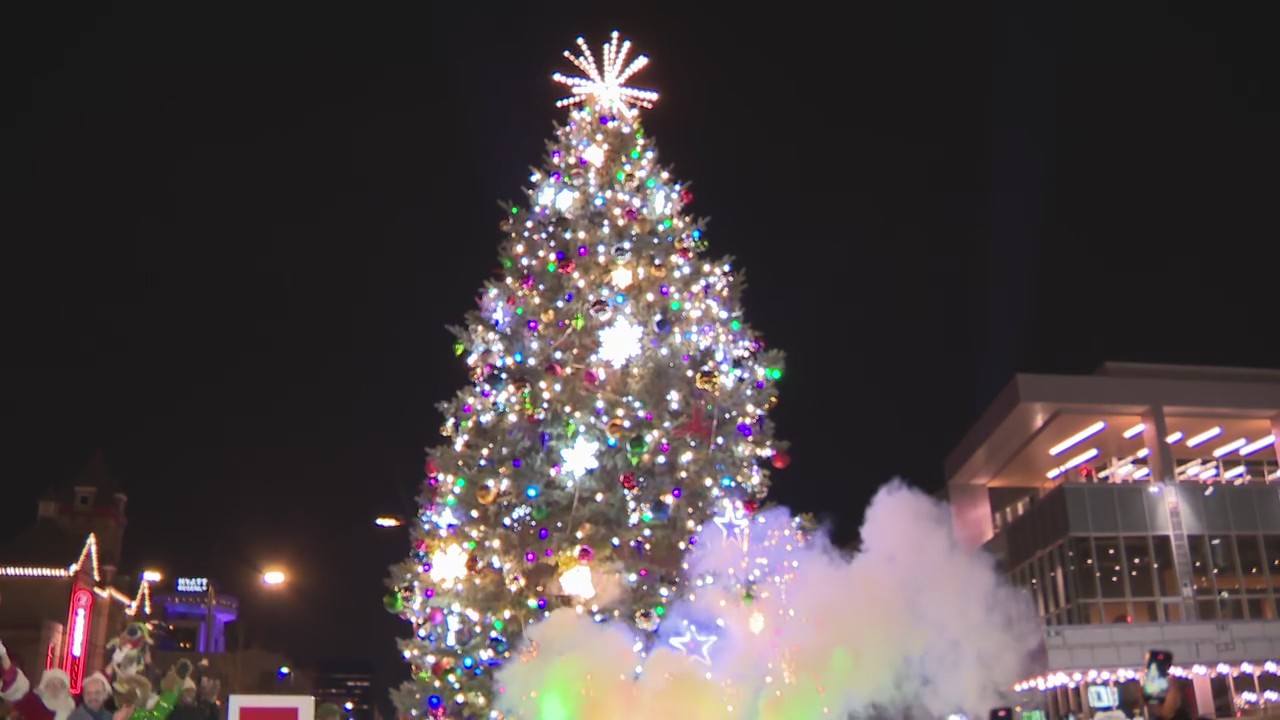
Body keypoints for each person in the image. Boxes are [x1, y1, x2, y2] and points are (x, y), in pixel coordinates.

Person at [0, 639, 78, 720]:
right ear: (44, 686)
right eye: (52, 684)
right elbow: (15, 682)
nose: (56, 688)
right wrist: (4, 655)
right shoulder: (34, 705)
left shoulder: (74, 713)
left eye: (61, 685)